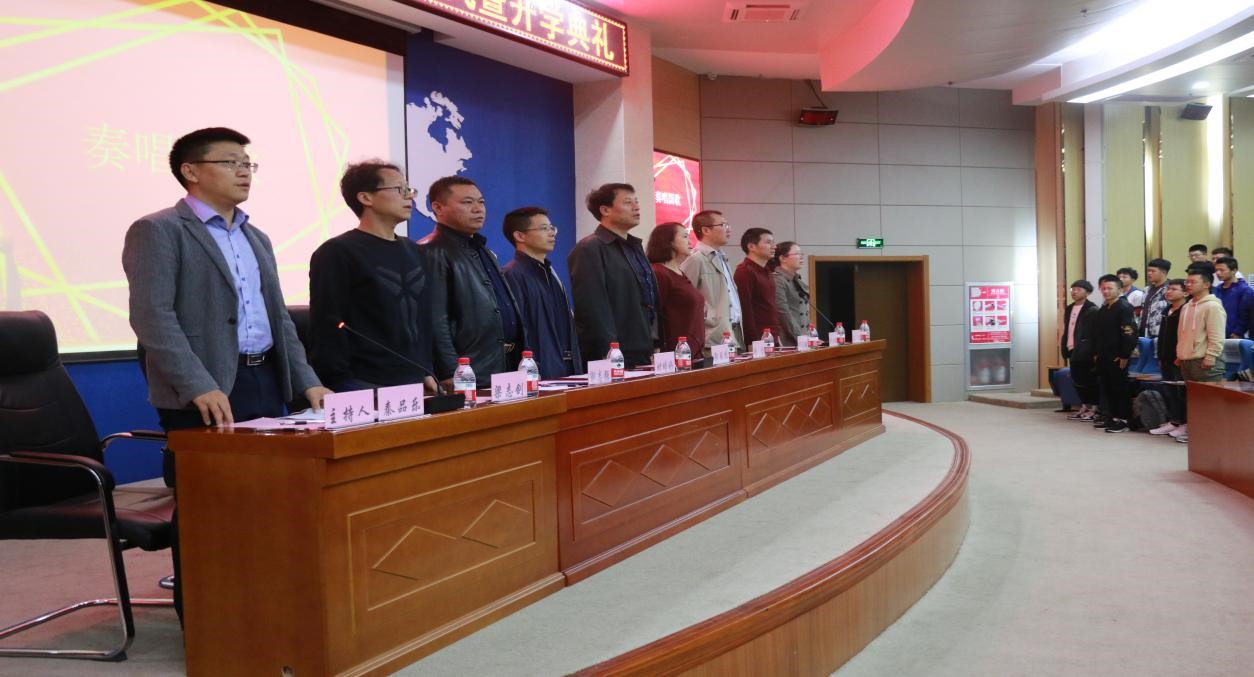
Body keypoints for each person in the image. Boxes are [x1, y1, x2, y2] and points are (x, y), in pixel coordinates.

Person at [122, 126, 331, 623]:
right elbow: (153, 318)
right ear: (191, 171)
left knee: (268, 500)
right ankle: (206, 623)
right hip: (204, 390)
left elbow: (278, 318)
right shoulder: (159, 230)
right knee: (209, 510)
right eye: (231, 162)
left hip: (264, 379)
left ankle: (262, 608)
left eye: (247, 163)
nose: (244, 172)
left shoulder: (256, 236)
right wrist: (198, 384)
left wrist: (307, 379)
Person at [307, 161, 436, 392]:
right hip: (363, 382)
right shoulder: (337, 252)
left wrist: (427, 369)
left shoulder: (415, 250)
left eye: (409, 190)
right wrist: (341, 381)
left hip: (415, 378)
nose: (409, 196)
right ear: (366, 198)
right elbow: (327, 323)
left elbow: (423, 319)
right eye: (399, 189)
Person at [422, 176, 525, 388]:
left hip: (505, 364)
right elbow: (435, 318)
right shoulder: (433, 250)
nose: (478, 209)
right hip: (469, 371)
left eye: (481, 202)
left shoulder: (481, 249)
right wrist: (449, 370)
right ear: (438, 208)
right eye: (467, 202)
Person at [568, 183, 658, 368]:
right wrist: (610, 350)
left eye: (636, 202)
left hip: (643, 348)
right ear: (605, 210)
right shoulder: (590, 248)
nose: (636, 207)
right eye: (628, 202)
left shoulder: (634, 247)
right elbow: (592, 306)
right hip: (614, 354)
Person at [500, 206, 581, 379]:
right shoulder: (511, 275)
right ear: (519, 236)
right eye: (544, 228)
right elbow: (518, 331)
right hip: (537, 374)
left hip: (567, 371)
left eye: (552, 228)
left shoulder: (551, 272)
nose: (552, 233)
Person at [1174, 265, 1228, 443]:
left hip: (1205, 360)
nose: (1188, 285)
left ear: (1206, 284)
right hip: (1187, 360)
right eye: (1187, 282)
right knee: (1194, 401)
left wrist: (1211, 356)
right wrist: (1180, 354)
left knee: (1210, 401)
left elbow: (1217, 335)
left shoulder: (1213, 306)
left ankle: (1213, 436)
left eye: (1193, 282)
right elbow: (1182, 334)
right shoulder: (1186, 306)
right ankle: (1197, 433)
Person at [680, 210, 743, 351]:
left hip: (734, 333)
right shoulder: (695, 259)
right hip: (712, 337)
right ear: (706, 230)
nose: (728, 229)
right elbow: (685, 300)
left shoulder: (721, 256)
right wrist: (708, 318)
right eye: (723, 225)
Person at [647, 221, 705, 354]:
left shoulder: (679, 271)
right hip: (675, 353)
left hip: (692, 351)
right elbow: (653, 316)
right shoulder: (659, 273)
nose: (690, 241)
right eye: (684, 236)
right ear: (669, 241)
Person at [1090, 274, 1137, 433]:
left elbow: (1129, 332)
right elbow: (1096, 333)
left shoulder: (1124, 307)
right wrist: (1096, 352)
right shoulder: (1104, 308)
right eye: (1103, 288)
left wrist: (1124, 354)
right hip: (1103, 355)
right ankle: (1111, 416)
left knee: (1119, 388)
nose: (1106, 291)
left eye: (1110, 288)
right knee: (1107, 387)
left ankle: (1123, 419)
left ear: (1119, 289)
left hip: (1117, 355)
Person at [1148, 279, 1188, 438]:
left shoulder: (1186, 310)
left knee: (1181, 392)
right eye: (1168, 289)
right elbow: (1162, 335)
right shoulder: (1166, 309)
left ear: (1185, 293)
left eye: (1173, 289)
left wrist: (1180, 355)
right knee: (1169, 391)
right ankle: (1174, 421)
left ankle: (1185, 424)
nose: (1168, 291)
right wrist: (1160, 355)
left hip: (1179, 357)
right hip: (1165, 357)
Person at [733, 227, 779, 345]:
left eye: (773, 242)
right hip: (758, 338)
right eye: (768, 242)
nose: (774, 246)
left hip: (772, 335)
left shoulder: (767, 270)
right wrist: (751, 341)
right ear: (751, 246)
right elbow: (745, 309)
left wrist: (777, 336)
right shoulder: (744, 271)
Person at [1058, 280, 1096, 418]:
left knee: (1089, 379)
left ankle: (1094, 408)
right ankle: (1084, 406)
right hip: (1071, 348)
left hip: (1085, 350)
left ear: (1087, 292)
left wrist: (1092, 350)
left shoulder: (1092, 309)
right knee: (1077, 380)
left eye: (1078, 289)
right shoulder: (1069, 308)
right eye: (1072, 289)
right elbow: (1068, 329)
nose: (1074, 292)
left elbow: (1093, 333)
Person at [770, 241, 810, 347]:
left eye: (801, 254)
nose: (801, 257)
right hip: (788, 341)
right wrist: (800, 338)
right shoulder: (777, 279)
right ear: (783, 258)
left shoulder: (795, 279)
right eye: (797, 254)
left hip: (802, 339)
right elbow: (783, 312)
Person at [1212, 256, 1252, 338]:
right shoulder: (1216, 290)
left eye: (1222, 270)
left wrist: (1238, 332)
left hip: (1235, 336)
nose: (1218, 273)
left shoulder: (1245, 290)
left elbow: (1246, 315)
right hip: (1216, 334)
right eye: (1216, 270)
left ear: (1234, 271)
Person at [1138, 258, 1171, 339]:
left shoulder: (1170, 289)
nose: (1149, 273)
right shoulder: (1147, 289)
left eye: (1153, 271)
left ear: (1163, 272)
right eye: (1148, 271)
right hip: (1144, 332)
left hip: (1161, 334)